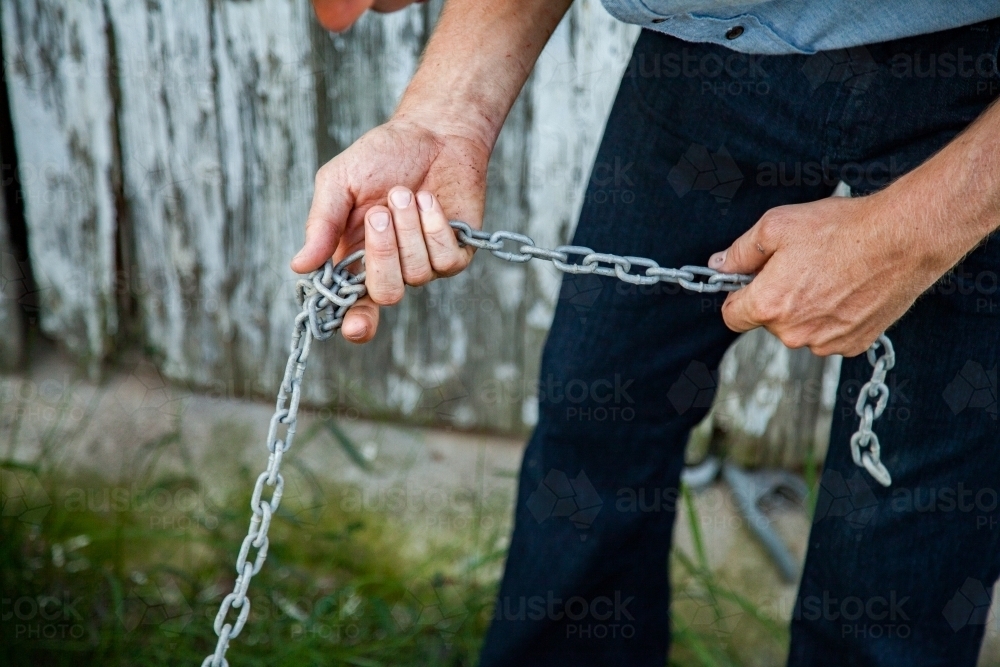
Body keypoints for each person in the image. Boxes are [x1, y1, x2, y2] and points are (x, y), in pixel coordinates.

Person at [296, 1, 1000, 665]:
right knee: (595, 418)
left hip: (976, 98)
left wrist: (910, 237)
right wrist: (443, 118)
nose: (359, 16)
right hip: (713, 48)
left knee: (904, 522)